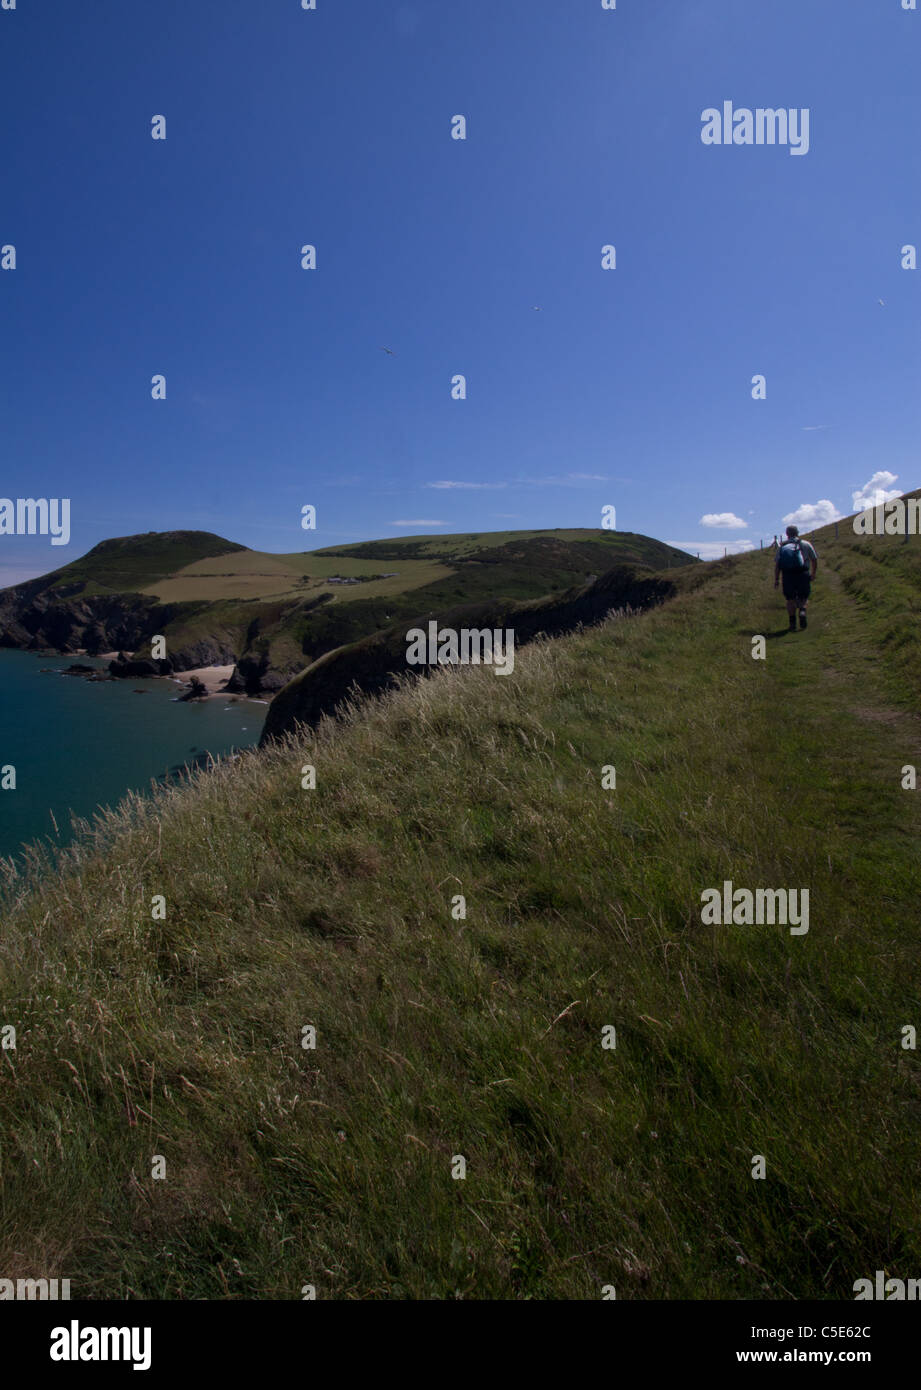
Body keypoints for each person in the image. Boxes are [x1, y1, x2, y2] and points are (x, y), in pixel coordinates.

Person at [774, 525, 818, 630]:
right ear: (797, 533)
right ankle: (802, 611)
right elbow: (814, 559)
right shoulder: (806, 544)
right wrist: (813, 574)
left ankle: (792, 623)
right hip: (803, 573)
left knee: (790, 599)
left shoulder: (782, 547)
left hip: (788, 575)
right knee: (803, 597)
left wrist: (776, 579)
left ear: (787, 534)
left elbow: (777, 566)